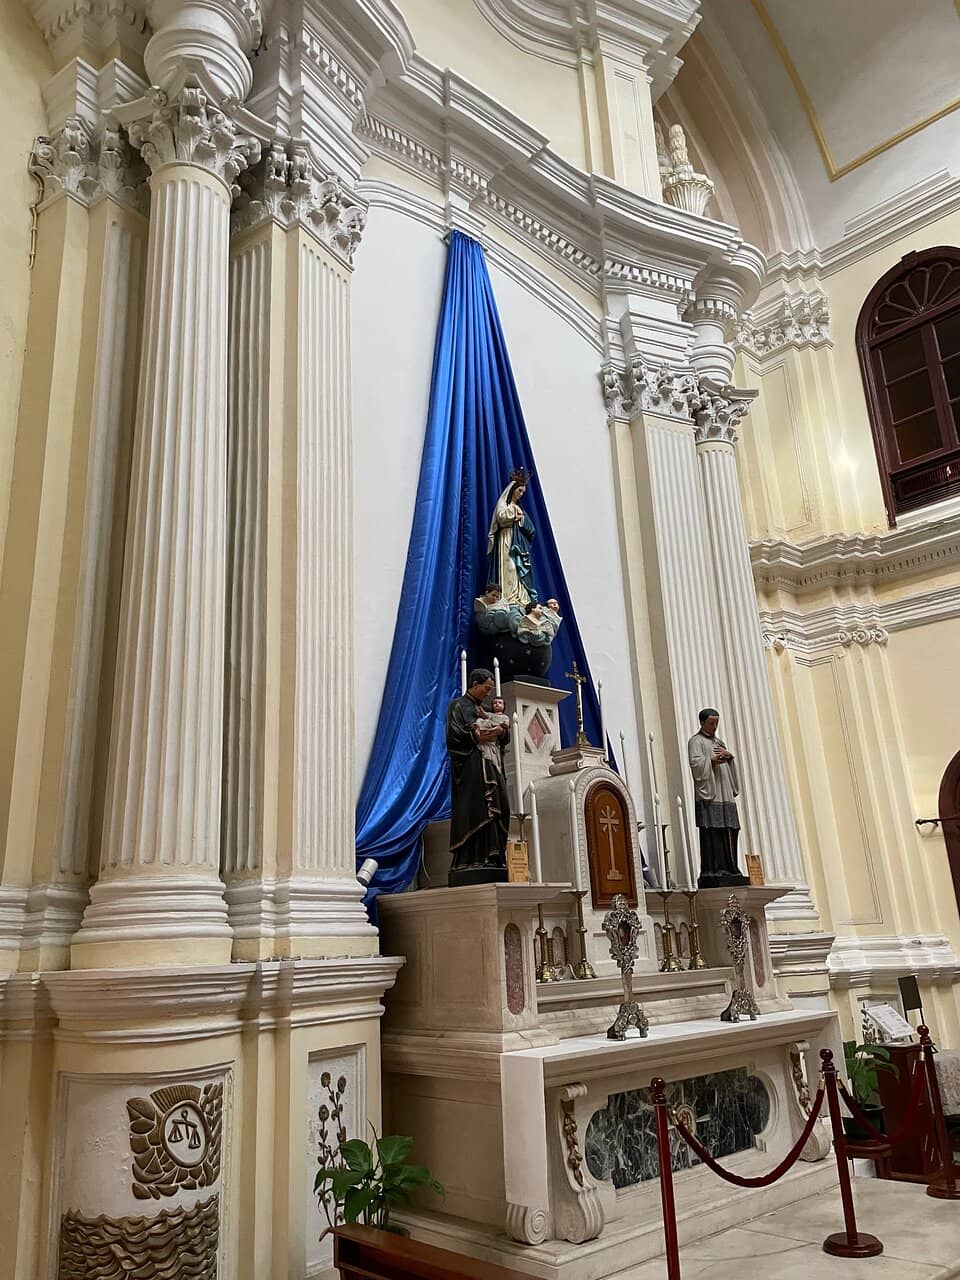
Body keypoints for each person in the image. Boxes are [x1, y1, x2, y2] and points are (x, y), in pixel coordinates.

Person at [446, 668, 511, 887]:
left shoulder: (484, 710)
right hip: (471, 769)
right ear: (474, 684)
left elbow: (504, 736)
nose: (488, 694)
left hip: (491, 763)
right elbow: (454, 736)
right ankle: (471, 861)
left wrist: (502, 733)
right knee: (479, 809)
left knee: (501, 805)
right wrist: (476, 735)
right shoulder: (458, 706)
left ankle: (494, 857)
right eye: (486, 688)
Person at [687, 708, 750, 888]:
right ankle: (713, 870)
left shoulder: (719, 742)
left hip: (725, 791)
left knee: (730, 829)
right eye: (711, 723)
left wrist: (730, 758)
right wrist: (711, 760)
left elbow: (728, 762)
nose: (714, 726)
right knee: (712, 831)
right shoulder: (695, 742)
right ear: (702, 723)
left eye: (716, 723)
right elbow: (696, 764)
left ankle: (731, 867)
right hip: (710, 793)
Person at [486, 468, 538, 607]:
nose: (520, 494)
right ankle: (508, 597)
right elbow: (501, 517)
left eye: (523, 492)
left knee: (516, 567)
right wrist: (514, 512)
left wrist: (521, 519)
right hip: (505, 538)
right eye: (519, 490)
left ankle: (518, 598)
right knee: (508, 565)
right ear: (513, 489)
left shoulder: (519, 507)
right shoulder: (504, 504)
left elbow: (531, 528)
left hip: (516, 541)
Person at [473, 696, 510, 772]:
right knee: (480, 720)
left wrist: (503, 726)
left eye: (500, 703)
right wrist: (481, 711)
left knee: (488, 722)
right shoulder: (491, 714)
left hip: (494, 729)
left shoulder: (504, 717)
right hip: (486, 730)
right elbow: (484, 715)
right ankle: (478, 728)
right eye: (495, 703)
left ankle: (481, 729)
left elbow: (506, 726)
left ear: (503, 706)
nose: (497, 704)